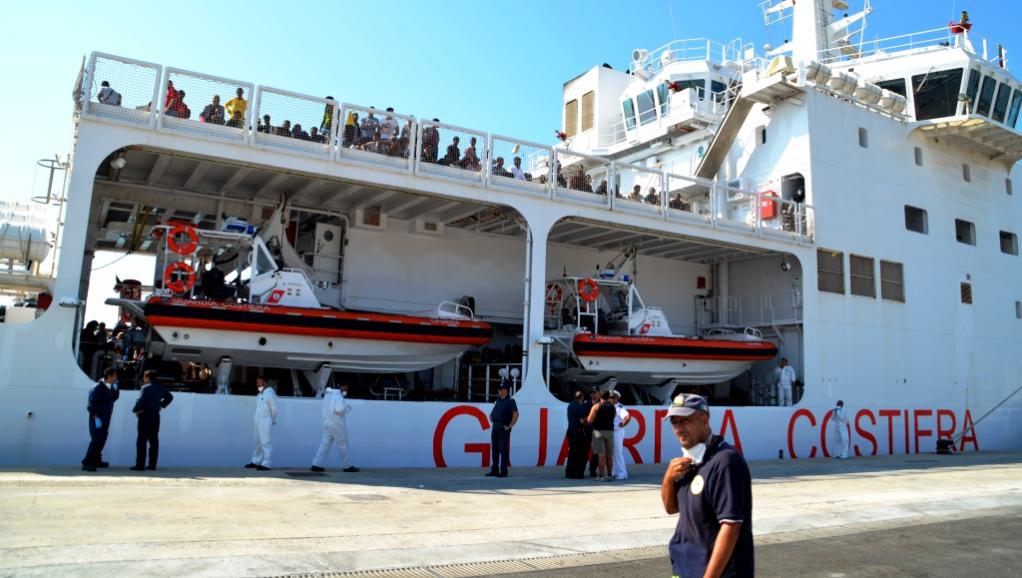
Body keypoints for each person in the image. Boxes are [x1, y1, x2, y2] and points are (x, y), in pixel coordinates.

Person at [661, 393, 754, 578]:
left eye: (685, 421)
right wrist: (668, 479)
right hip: (683, 569)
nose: (679, 428)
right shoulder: (688, 460)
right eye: (675, 423)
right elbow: (671, 508)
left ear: (704, 419)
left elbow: (731, 525)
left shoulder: (726, 460)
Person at [131, 370, 174, 471]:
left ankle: (140, 465)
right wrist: (161, 405)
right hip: (155, 416)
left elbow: (141, 402)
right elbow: (170, 397)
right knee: (154, 441)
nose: (143, 379)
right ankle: (152, 465)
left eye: (144, 377)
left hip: (144, 416)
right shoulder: (160, 387)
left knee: (141, 441)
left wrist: (135, 410)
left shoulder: (145, 388)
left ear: (147, 377)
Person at [311, 383, 359, 472]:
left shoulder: (327, 395)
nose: (347, 389)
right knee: (342, 445)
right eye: (346, 387)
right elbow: (339, 409)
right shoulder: (338, 396)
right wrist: (348, 408)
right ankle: (347, 466)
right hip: (336, 424)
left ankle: (315, 464)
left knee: (324, 444)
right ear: (343, 386)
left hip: (327, 422)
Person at [81, 367, 120, 471]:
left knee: (102, 439)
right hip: (97, 419)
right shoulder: (97, 387)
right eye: (115, 376)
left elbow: (114, 398)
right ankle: (87, 462)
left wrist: (116, 386)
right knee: (96, 439)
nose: (116, 378)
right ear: (110, 376)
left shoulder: (110, 387)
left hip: (106, 419)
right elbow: (90, 405)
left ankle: (97, 460)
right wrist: (95, 417)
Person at [485, 380, 518, 477]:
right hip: (495, 427)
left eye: (501, 389)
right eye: (499, 389)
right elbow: (493, 411)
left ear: (505, 390)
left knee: (503, 450)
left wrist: (510, 426)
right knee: (494, 450)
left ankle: (504, 471)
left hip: (503, 428)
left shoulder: (510, 401)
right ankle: (494, 469)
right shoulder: (498, 401)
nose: (499, 391)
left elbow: (516, 414)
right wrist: (491, 415)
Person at [245, 376, 279, 471]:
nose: (257, 384)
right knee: (257, 442)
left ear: (265, 383)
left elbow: (274, 409)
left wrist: (272, 420)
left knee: (266, 442)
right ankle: (255, 461)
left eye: (259, 383)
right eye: (257, 383)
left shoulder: (270, 393)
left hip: (266, 421)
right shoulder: (260, 394)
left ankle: (266, 463)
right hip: (258, 422)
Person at [587, 390, 616, 481]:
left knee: (601, 455)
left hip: (598, 432)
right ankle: (610, 475)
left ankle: (601, 476)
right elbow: (613, 417)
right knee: (609, 455)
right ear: (608, 397)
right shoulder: (613, 407)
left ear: (600, 396)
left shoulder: (596, 406)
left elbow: (589, 420)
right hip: (610, 432)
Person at [564, 390, 589, 479]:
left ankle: (569, 472)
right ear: (582, 397)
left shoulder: (570, 405)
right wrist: (587, 423)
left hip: (570, 430)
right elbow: (582, 420)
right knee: (579, 453)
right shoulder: (580, 406)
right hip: (577, 431)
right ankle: (577, 473)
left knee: (572, 452)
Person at [610, 391, 632, 480]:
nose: (611, 399)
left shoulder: (619, 407)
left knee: (617, 453)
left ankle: (622, 473)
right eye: (610, 397)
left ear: (617, 398)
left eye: (613, 397)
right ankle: (613, 472)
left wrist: (622, 424)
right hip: (611, 432)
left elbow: (628, 416)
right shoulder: (610, 406)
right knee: (611, 454)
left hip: (617, 432)